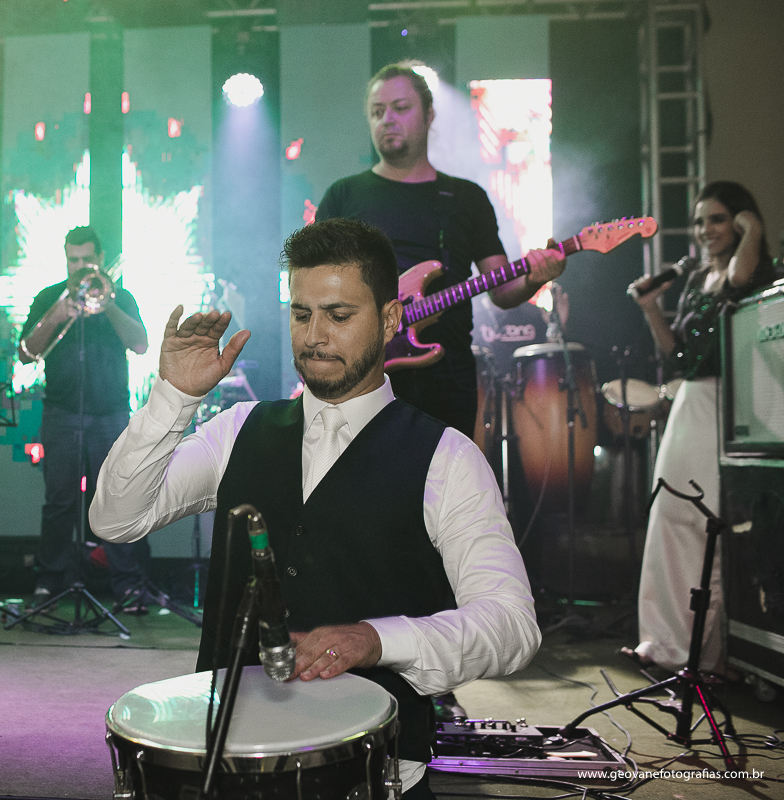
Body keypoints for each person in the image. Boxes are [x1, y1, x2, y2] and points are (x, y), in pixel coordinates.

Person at [90, 218, 540, 797]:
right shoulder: (237, 430)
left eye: (339, 315)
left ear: (390, 319)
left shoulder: (447, 457)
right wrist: (174, 396)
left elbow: (511, 625)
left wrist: (377, 639)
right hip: (226, 763)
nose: (314, 336)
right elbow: (115, 518)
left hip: (376, 774)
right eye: (302, 315)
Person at [316, 60, 565, 437]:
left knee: (444, 474)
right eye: (377, 112)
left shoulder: (465, 198)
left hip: (446, 378)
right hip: (360, 376)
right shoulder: (343, 196)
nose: (388, 119)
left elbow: (501, 291)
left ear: (429, 114)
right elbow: (315, 287)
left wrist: (534, 278)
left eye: (401, 108)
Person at [625, 181, 774, 672]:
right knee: (670, 514)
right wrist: (651, 308)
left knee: (705, 523)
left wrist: (754, 231)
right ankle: (662, 643)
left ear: (741, 220)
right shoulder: (694, 280)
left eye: (717, 218)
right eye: (699, 221)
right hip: (691, 402)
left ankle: (702, 653)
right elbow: (678, 356)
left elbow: (738, 282)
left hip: (731, 405)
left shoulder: (752, 272)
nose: (705, 229)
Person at [19, 226, 152, 609]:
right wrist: (56, 314)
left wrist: (107, 304)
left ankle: (127, 584)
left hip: (111, 412)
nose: (80, 266)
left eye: (87, 259)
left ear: (100, 258)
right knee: (59, 502)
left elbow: (140, 344)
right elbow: (26, 353)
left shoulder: (120, 296)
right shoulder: (49, 297)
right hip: (61, 412)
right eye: (73, 260)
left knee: (116, 500)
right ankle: (49, 581)